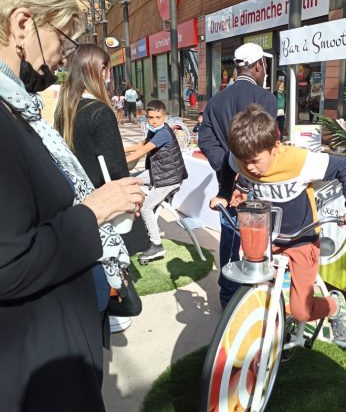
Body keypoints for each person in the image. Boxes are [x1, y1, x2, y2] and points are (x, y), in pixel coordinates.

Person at [0, 0, 145, 412]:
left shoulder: (21, 108)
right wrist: (94, 212)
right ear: (21, 22)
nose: (65, 50)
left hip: (47, 348)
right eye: (62, 32)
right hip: (38, 361)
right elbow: (9, 260)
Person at [211, 105, 346, 340]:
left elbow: (345, 168)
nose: (249, 168)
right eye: (244, 162)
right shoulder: (240, 158)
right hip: (266, 238)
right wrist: (224, 192)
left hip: (302, 238)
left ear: (275, 147)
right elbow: (228, 167)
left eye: (254, 161)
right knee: (258, 292)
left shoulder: (299, 160)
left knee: (302, 310)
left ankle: (333, 305)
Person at [54, 44, 148, 334]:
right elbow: (117, 168)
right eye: (106, 68)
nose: (109, 75)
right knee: (113, 256)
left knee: (97, 256)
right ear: (99, 70)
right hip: (106, 198)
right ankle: (113, 304)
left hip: (79, 199)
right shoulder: (99, 111)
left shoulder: (65, 109)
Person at [199, 42, 277, 309]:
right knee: (261, 239)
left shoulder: (216, 100)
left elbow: (205, 141)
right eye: (264, 66)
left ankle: (228, 296)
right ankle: (256, 294)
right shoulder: (265, 99)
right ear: (258, 66)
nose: (264, 70)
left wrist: (226, 169)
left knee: (231, 239)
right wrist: (240, 178)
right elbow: (265, 145)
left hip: (228, 186)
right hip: (257, 185)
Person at [125, 100, 188, 262]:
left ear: (164, 117)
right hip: (160, 172)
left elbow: (142, 151)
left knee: (146, 207)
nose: (153, 121)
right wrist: (121, 149)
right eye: (150, 117)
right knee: (130, 179)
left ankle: (156, 245)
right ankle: (142, 226)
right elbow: (143, 144)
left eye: (157, 117)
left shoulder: (163, 133)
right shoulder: (155, 130)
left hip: (169, 178)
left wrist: (121, 160)